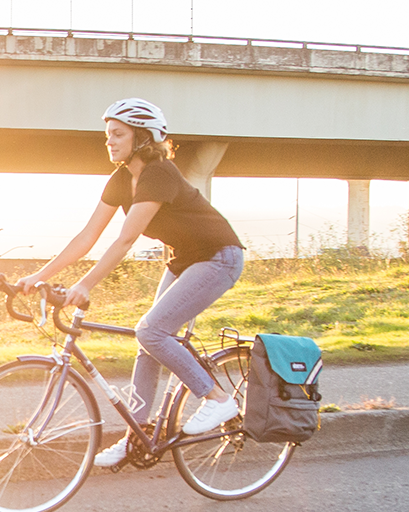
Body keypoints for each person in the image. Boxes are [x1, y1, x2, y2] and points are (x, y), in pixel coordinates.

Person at [16, 98, 247, 468]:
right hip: (184, 260)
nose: (109, 141)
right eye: (107, 134)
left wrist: (86, 284)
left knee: (151, 331)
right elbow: (87, 236)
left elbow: (125, 239)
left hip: (219, 257)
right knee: (149, 345)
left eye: (118, 134)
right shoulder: (121, 179)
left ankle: (218, 399)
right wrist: (38, 276)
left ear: (142, 137)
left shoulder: (159, 173)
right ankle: (136, 437)